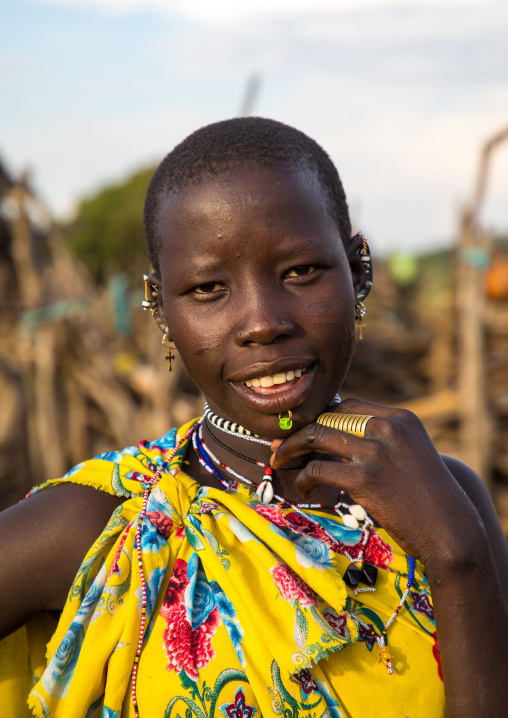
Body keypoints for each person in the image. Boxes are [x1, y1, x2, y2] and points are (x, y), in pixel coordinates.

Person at [0, 117, 507, 718]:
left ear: (359, 269)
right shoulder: (107, 527)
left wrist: (458, 562)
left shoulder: (447, 498)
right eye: (210, 288)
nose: (263, 321)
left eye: (301, 271)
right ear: (161, 309)